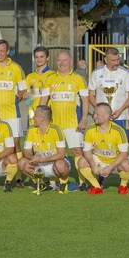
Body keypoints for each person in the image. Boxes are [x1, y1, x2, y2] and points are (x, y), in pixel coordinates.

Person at [38, 51, 88, 183]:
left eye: (65, 60)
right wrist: (40, 118)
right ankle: (55, 182)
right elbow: (43, 101)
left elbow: (85, 100)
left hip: (73, 123)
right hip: (55, 124)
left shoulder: (78, 78)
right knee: (55, 152)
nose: (62, 63)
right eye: (59, 60)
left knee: (77, 151)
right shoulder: (50, 78)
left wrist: (84, 118)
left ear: (70, 62)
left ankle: (82, 182)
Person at [79, 103, 129, 195]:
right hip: (99, 161)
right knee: (81, 162)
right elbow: (86, 152)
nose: (94, 116)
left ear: (107, 116)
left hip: (115, 162)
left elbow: (123, 154)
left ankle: (123, 186)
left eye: (97, 114)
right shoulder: (90, 129)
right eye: (94, 114)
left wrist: (110, 167)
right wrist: (92, 163)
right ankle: (97, 187)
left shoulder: (118, 131)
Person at [19, 105, 70, 193]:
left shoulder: (56, 130)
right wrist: (33, 157)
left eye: (35, 115)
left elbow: (61, 154)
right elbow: (26, 152)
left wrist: (43, 159)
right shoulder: (31, 129)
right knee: (21, 163)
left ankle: (63, 183)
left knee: (61, 165)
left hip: (55, 163)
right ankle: (41, 184)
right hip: (39, 164)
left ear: (41, 118)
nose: (33, 117)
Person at [88, 47, 129, 131]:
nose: (116, 63)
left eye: (118, 60)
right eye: (113, 60)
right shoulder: (96, 73)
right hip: (101, 116)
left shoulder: (125, 73)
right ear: (106, 60)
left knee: (120, 141)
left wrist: (120, 110)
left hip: (120, 116)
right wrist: (100, 110)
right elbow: (90, 95)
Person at [23, 46, 54, 126]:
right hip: (32, 116)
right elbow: (28, 99)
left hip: (47, 116)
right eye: (37, 57)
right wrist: (26, 98)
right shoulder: (30, 77)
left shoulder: (52, 75)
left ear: (47, 58)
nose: (39, 59)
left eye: (41, 57)